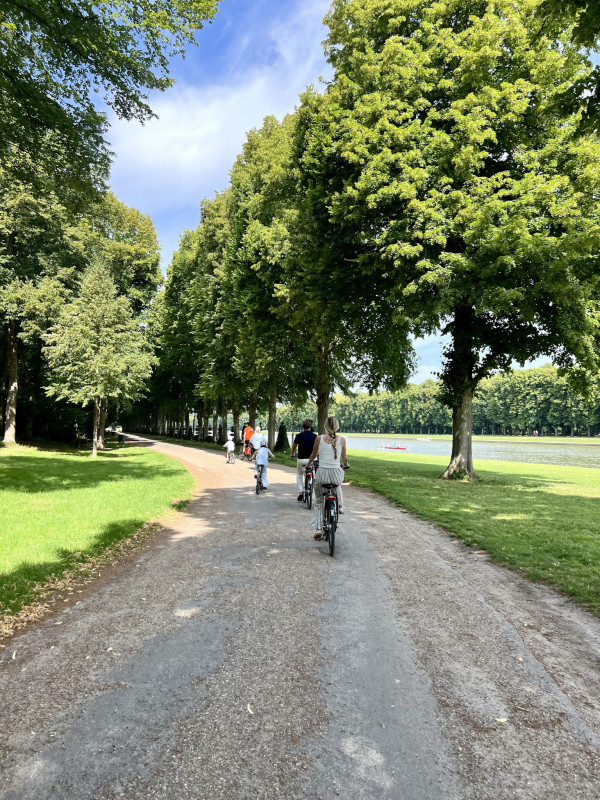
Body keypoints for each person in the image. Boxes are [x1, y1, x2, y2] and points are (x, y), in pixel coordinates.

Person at [306, 416, 349, 540]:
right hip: (336, 474)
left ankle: (318, 529)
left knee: (319, 500)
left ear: (325, 426)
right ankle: (340, 506)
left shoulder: (319, 439)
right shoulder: (342, 440)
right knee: (338, 484)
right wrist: (346, 464)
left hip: (322, 474)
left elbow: (314, 454)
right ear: (337, 426)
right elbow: (344, 457)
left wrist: (309, 465)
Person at [291, 419, 317, 501]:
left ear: (303, 427)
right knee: (313, 471)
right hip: (312, 459)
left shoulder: (299, 436)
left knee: (299, 475)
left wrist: (293, 454)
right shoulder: (315, 436)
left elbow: (294, 446)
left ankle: (301, 492)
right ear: (310, 427)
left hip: (302, 459)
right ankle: (313, 478)